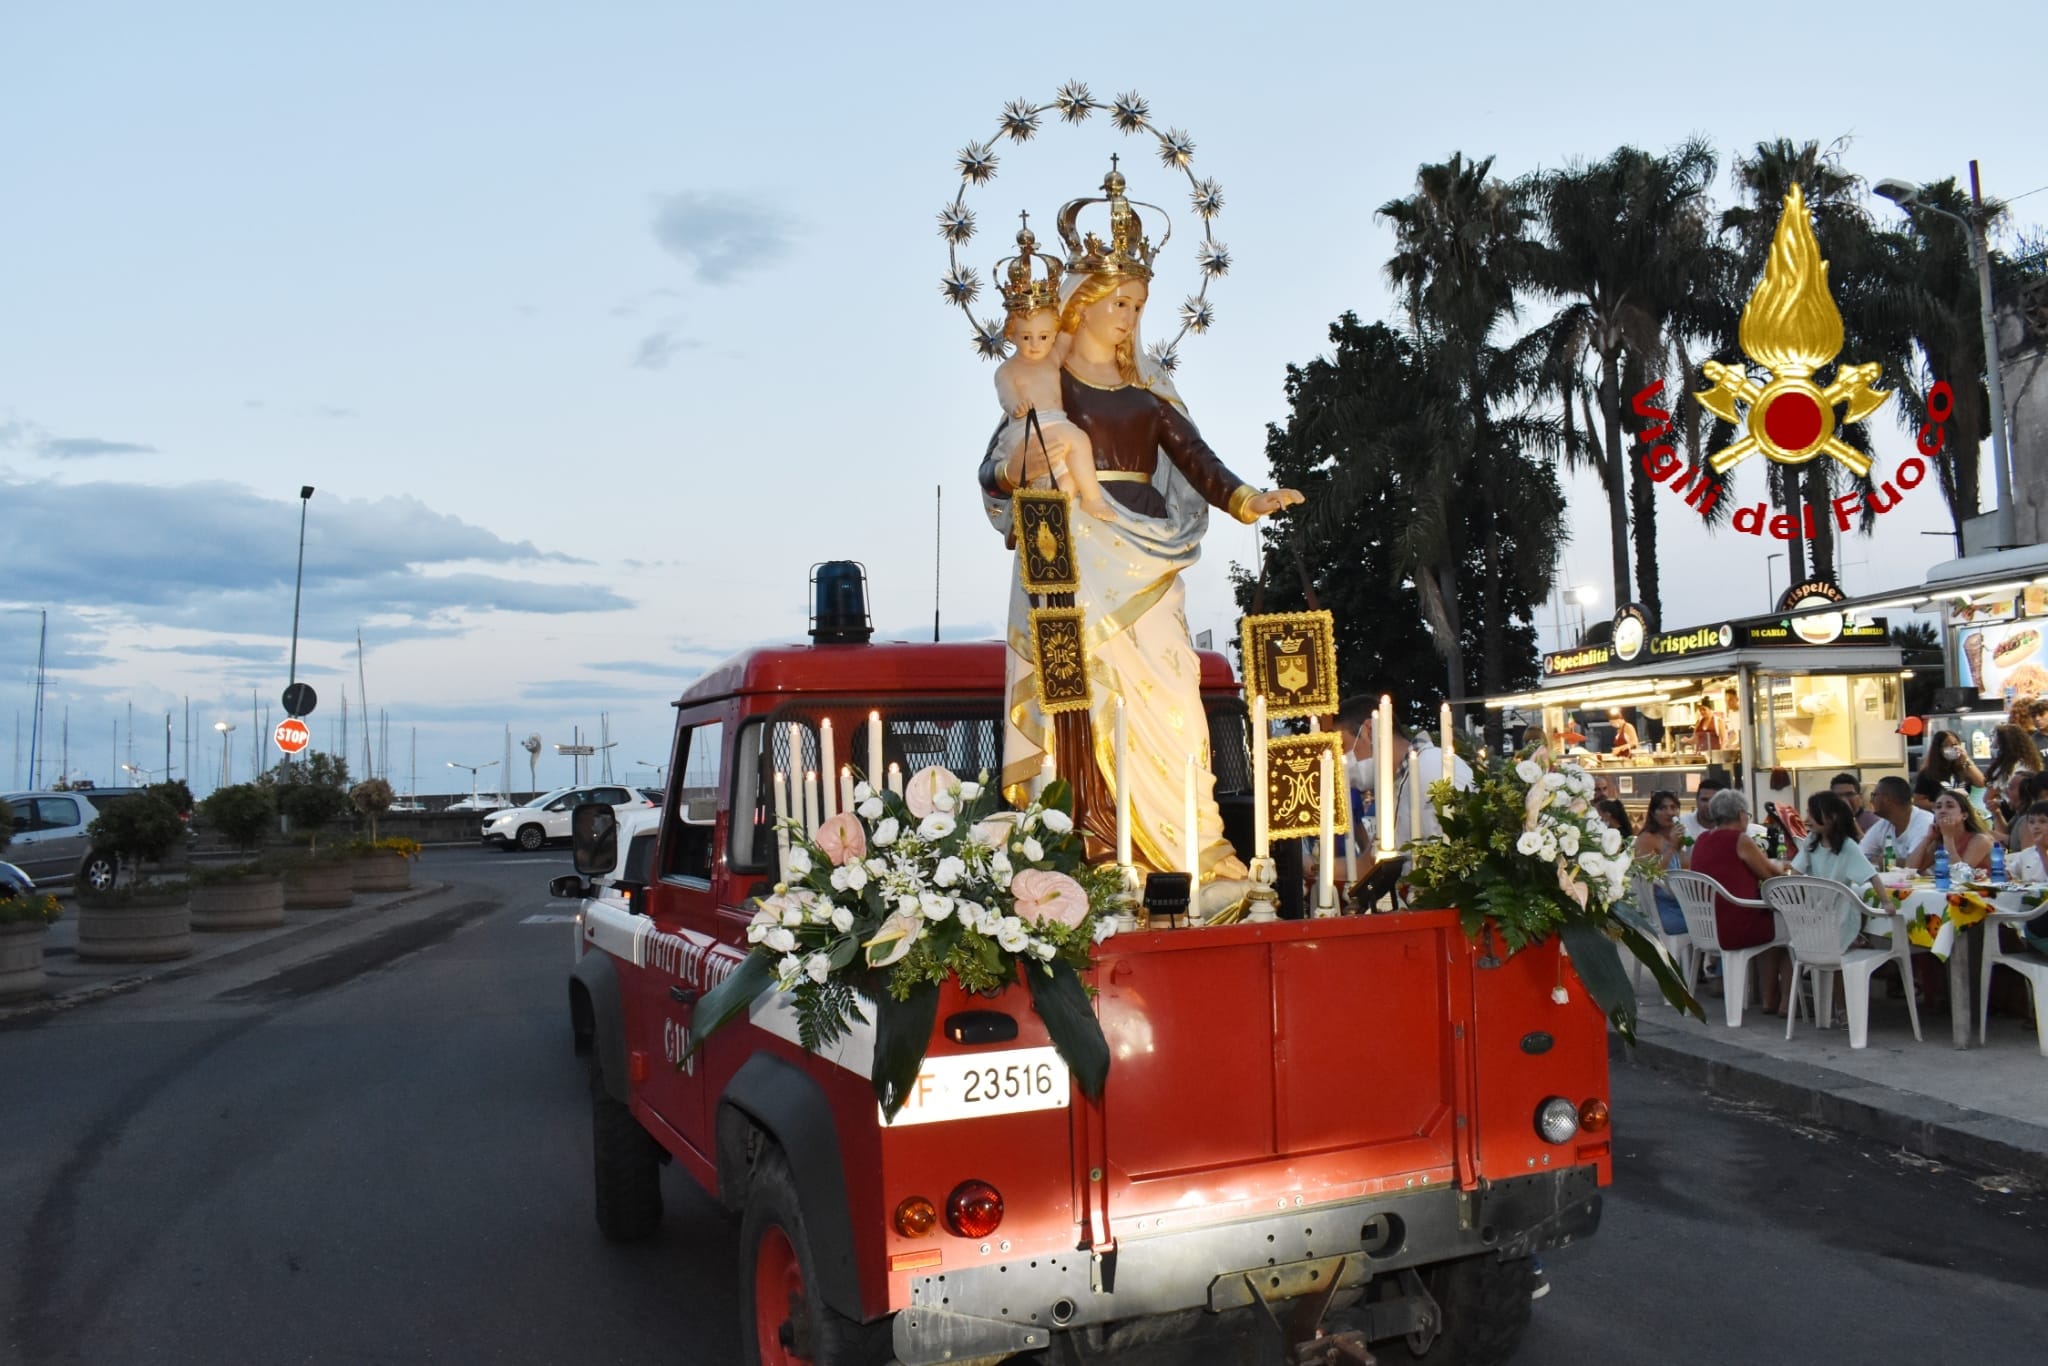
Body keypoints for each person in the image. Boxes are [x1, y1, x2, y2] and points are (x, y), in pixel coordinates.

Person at [980, 163, 1303, 894]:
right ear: (1083, 305)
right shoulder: (1042, 384)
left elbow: (1197, 459)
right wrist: (1025, 462)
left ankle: (1196, 841)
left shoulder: (1149, 392)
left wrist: (1249, 500)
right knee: (1076, 698)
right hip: (1066, 553)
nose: (1128, 317)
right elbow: (995, 470)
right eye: (1118, 303)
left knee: (1174, 697)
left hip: (1147, 554)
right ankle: (1089, 844)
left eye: (1137, 304)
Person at [991, 227, 1111, 520]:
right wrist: (1015, 406)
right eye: (1026, 337)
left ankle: (1055, 516)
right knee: (1079, 440)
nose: (1035, 345)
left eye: (1044, 337)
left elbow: (1068, 334)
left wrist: (1083, 299)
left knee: (1067, 479)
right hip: (1031, 425)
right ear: (1011, 334)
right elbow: (1006, 393)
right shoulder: (1008, 369)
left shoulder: (1052, 359)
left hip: (1056, 424)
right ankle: (1094, 499)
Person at [1690, 787, 1794, 1012]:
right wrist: (1784, 867)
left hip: (1707, 926)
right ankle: (1784, 1001)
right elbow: (1770, 875)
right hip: (1735, 926)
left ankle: (1769, 997)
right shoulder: (1740, 840)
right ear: (1740, 815)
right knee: (1790, 928)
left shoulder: (1702, 840)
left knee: (1771, 926)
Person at [1791, 792, 1887, 953]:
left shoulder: (1848, 846)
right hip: (1818, 913)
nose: (1807, 819)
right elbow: (1795, 873)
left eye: (1812, 814)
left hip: (1837, 915)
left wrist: (1886, 902)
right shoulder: (1811, 841)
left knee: (1829, 954)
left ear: (1832, 817)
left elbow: (1872, 876)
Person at [1634, 790, 1690, 936]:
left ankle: (1700, 959)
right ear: (1653, 813)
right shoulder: (1647, 839)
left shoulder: (1676, 837)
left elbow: (1686, 874)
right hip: (1661, 910)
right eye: (1663, 808)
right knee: (1710, 926)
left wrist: (1683, 847)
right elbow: (1649, 876)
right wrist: (1671, 847)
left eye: (1673, 807)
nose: (1670, 812)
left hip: (1682, 903)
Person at [1904, 788, 1995, 877]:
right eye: (1938, 807)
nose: (1942, 811)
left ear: (1964, 815)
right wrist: (1927, 838)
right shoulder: (1940, 841)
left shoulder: (1980, 840)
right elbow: (1911, 870)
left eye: (1950, 806)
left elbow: (1961, 876)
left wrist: (1948, 837)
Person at [1859, 775, 1934, 867]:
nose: (1871, 800)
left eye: (1874, 795)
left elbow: (1913, 865)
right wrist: (1893, 862)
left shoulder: (1924, 823)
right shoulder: (1883, 824)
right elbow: (1860, 856)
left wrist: (1881, 860)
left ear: (1886, 799)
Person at [1918, 728, 1987, 792]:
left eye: (1955, 744)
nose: (1952, 748)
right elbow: (1919, 800)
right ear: (1938, 749)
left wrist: (1966, 760)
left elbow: (1981, 783)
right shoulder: (1928, 773)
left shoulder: (1964, 768)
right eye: (1946, 745)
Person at [2006, 800, 2048, 882]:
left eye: (2042, 821)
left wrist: (2042, 849)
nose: (2036, 826)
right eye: (2031, 822)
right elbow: (2010, 873)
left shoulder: (2040, 850)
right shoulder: (2027, 853)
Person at [1679, 774, 1729, 842]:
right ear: (1696, 800)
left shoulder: (1733, 826)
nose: (1709, 805)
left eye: (1714, 800)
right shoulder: (1682, 823)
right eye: (1704, 800)